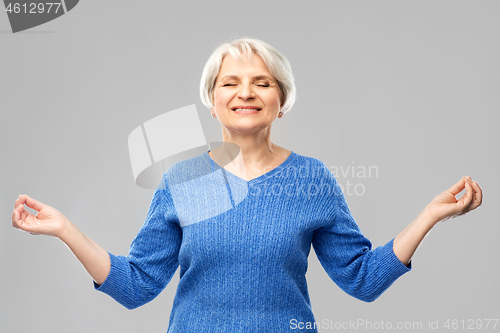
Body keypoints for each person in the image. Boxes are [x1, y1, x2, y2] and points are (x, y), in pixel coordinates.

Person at [11, 38, 483, 332]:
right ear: (212, 103)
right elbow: (135, 286)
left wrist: (429, 216)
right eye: (230, 83)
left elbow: (362, 279)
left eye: (262, 82)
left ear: (282, 102)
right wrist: (65, 230)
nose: (246, 93)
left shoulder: (310, 180)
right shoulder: (186, 182)